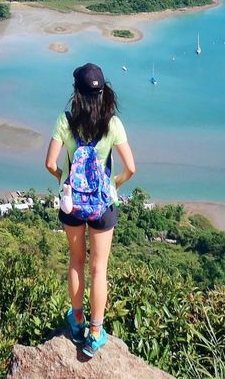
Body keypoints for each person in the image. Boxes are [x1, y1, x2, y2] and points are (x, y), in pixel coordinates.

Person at [45, 62, 136, 356]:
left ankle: (77, 321)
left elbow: (49, 163)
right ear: (103, 92)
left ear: (77, 93)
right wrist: (114, 185)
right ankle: (95, 333)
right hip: (102, 206)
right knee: (100, 269)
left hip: (72, 203)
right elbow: (131, 168)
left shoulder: (66, 120)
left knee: (76, 262)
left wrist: (64, 180)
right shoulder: (113, 124)